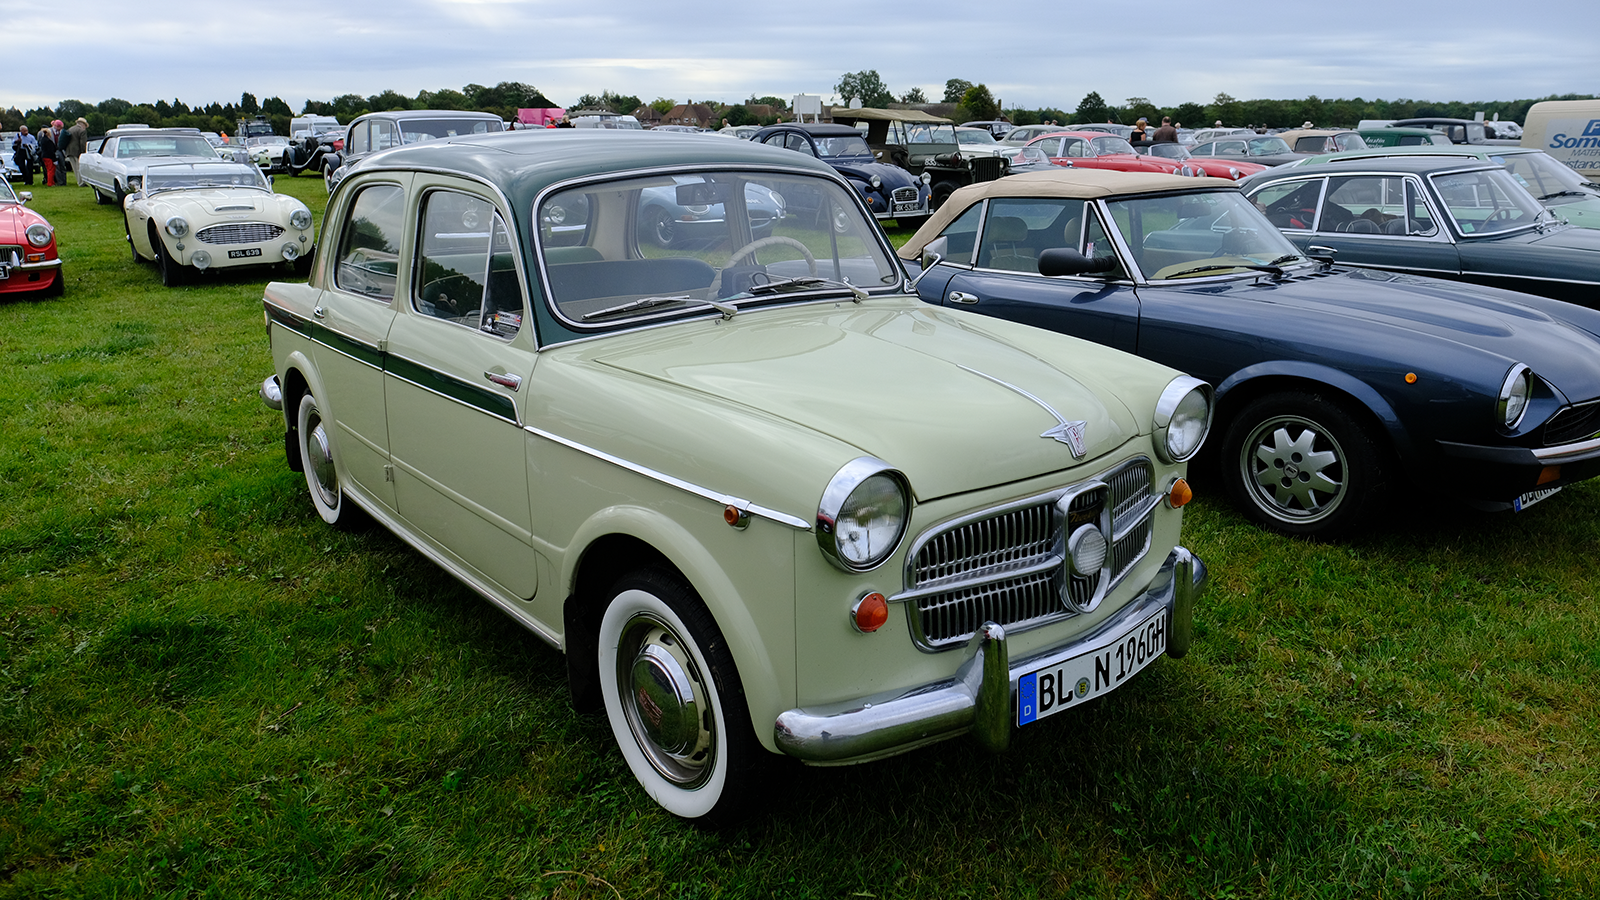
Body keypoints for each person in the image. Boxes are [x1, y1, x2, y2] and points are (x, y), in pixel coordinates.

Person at [64, 117, 89, 187]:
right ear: (83, 124)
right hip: (78, 152)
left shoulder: (70, 129)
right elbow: (83, 143)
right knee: (79, 167)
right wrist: (83, 152)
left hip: (69, 151)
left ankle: (79, 181)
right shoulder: (82, 131)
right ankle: (81, 182)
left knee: (75, 168)